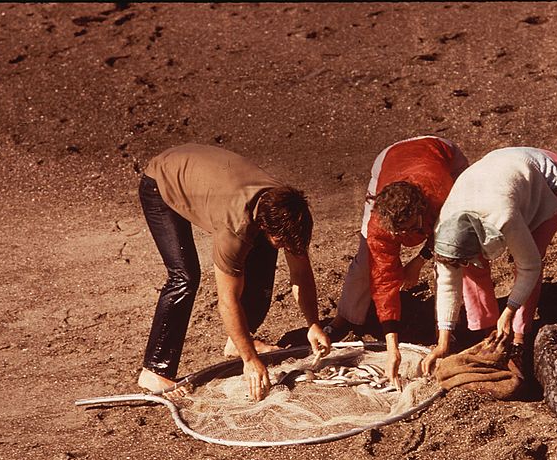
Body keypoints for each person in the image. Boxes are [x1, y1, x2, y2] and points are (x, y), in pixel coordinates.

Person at [137, 143, 331, 401]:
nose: (286, 248)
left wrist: (313, 324)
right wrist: (250, 360)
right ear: (263, 224)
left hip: (206, 177)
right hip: (162, 181)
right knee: (185, 276)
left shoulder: (287, 211)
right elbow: (228, 300)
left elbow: (301, 273)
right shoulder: (235, 228)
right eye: (281, 241)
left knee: (264, 254)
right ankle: (154, 369)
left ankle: (237, 341)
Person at [325, 135, 497, 388]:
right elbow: (383, 279)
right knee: (366, 261)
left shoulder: (440, 195)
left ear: (420, 212)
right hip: (389, 159)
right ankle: (345, 318)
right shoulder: (380, 224)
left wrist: (417, 262)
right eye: (396, 233)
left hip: (439, 152)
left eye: (407, 230)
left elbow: (446, 236)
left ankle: (482, 327)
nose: (401, 239)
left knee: (465, 253)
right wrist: (392, 347)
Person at [420, 146, 557, 375]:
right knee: (470, 270)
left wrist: (509, 310)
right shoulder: (445, 227)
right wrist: (443, 341)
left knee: (529, 254)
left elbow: (530, 267)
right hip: (497, 176)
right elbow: (447, 282)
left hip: (551, 178)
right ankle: (487, 331)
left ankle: (518, 340)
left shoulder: (504, 216)